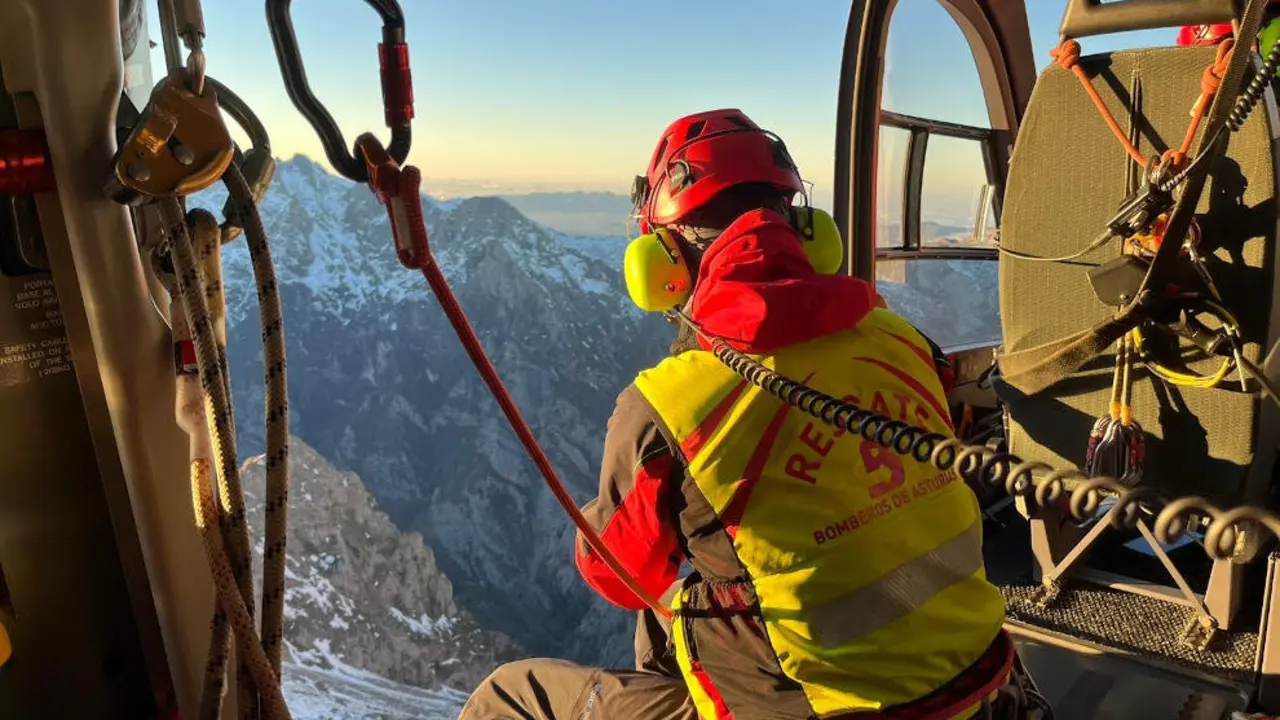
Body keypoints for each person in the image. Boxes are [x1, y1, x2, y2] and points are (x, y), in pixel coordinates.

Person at [459, 109, 1039, 720]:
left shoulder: (671, 406)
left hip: (819, 710)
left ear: (666, 262)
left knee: (510, 694)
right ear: (809, 234)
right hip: (981, 690)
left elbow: (616, 573)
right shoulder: (904, 343)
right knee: (685, 608)